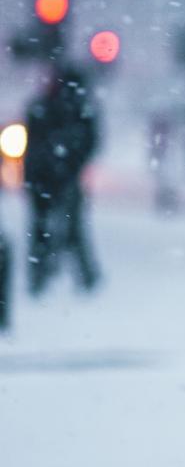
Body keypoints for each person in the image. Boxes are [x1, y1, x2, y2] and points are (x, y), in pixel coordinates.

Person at [24, 65, 101, 295]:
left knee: (46, 228)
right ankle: (81, 276)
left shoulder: (44, 106)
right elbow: (89, 142)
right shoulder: (77, 109)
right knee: (70, 227)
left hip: (45, 177)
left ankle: (41, 275)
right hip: (56, 177)